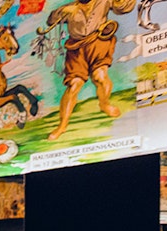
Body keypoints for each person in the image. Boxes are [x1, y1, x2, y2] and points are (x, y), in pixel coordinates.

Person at [37, 0, 136, 141]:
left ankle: (104, 104)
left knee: (100, 76)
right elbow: (51, 21)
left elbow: (123, 7)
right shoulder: (70, 8)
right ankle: (62, 125)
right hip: (76, 49)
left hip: (98, 41)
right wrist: (62, 12)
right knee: (74, 85)